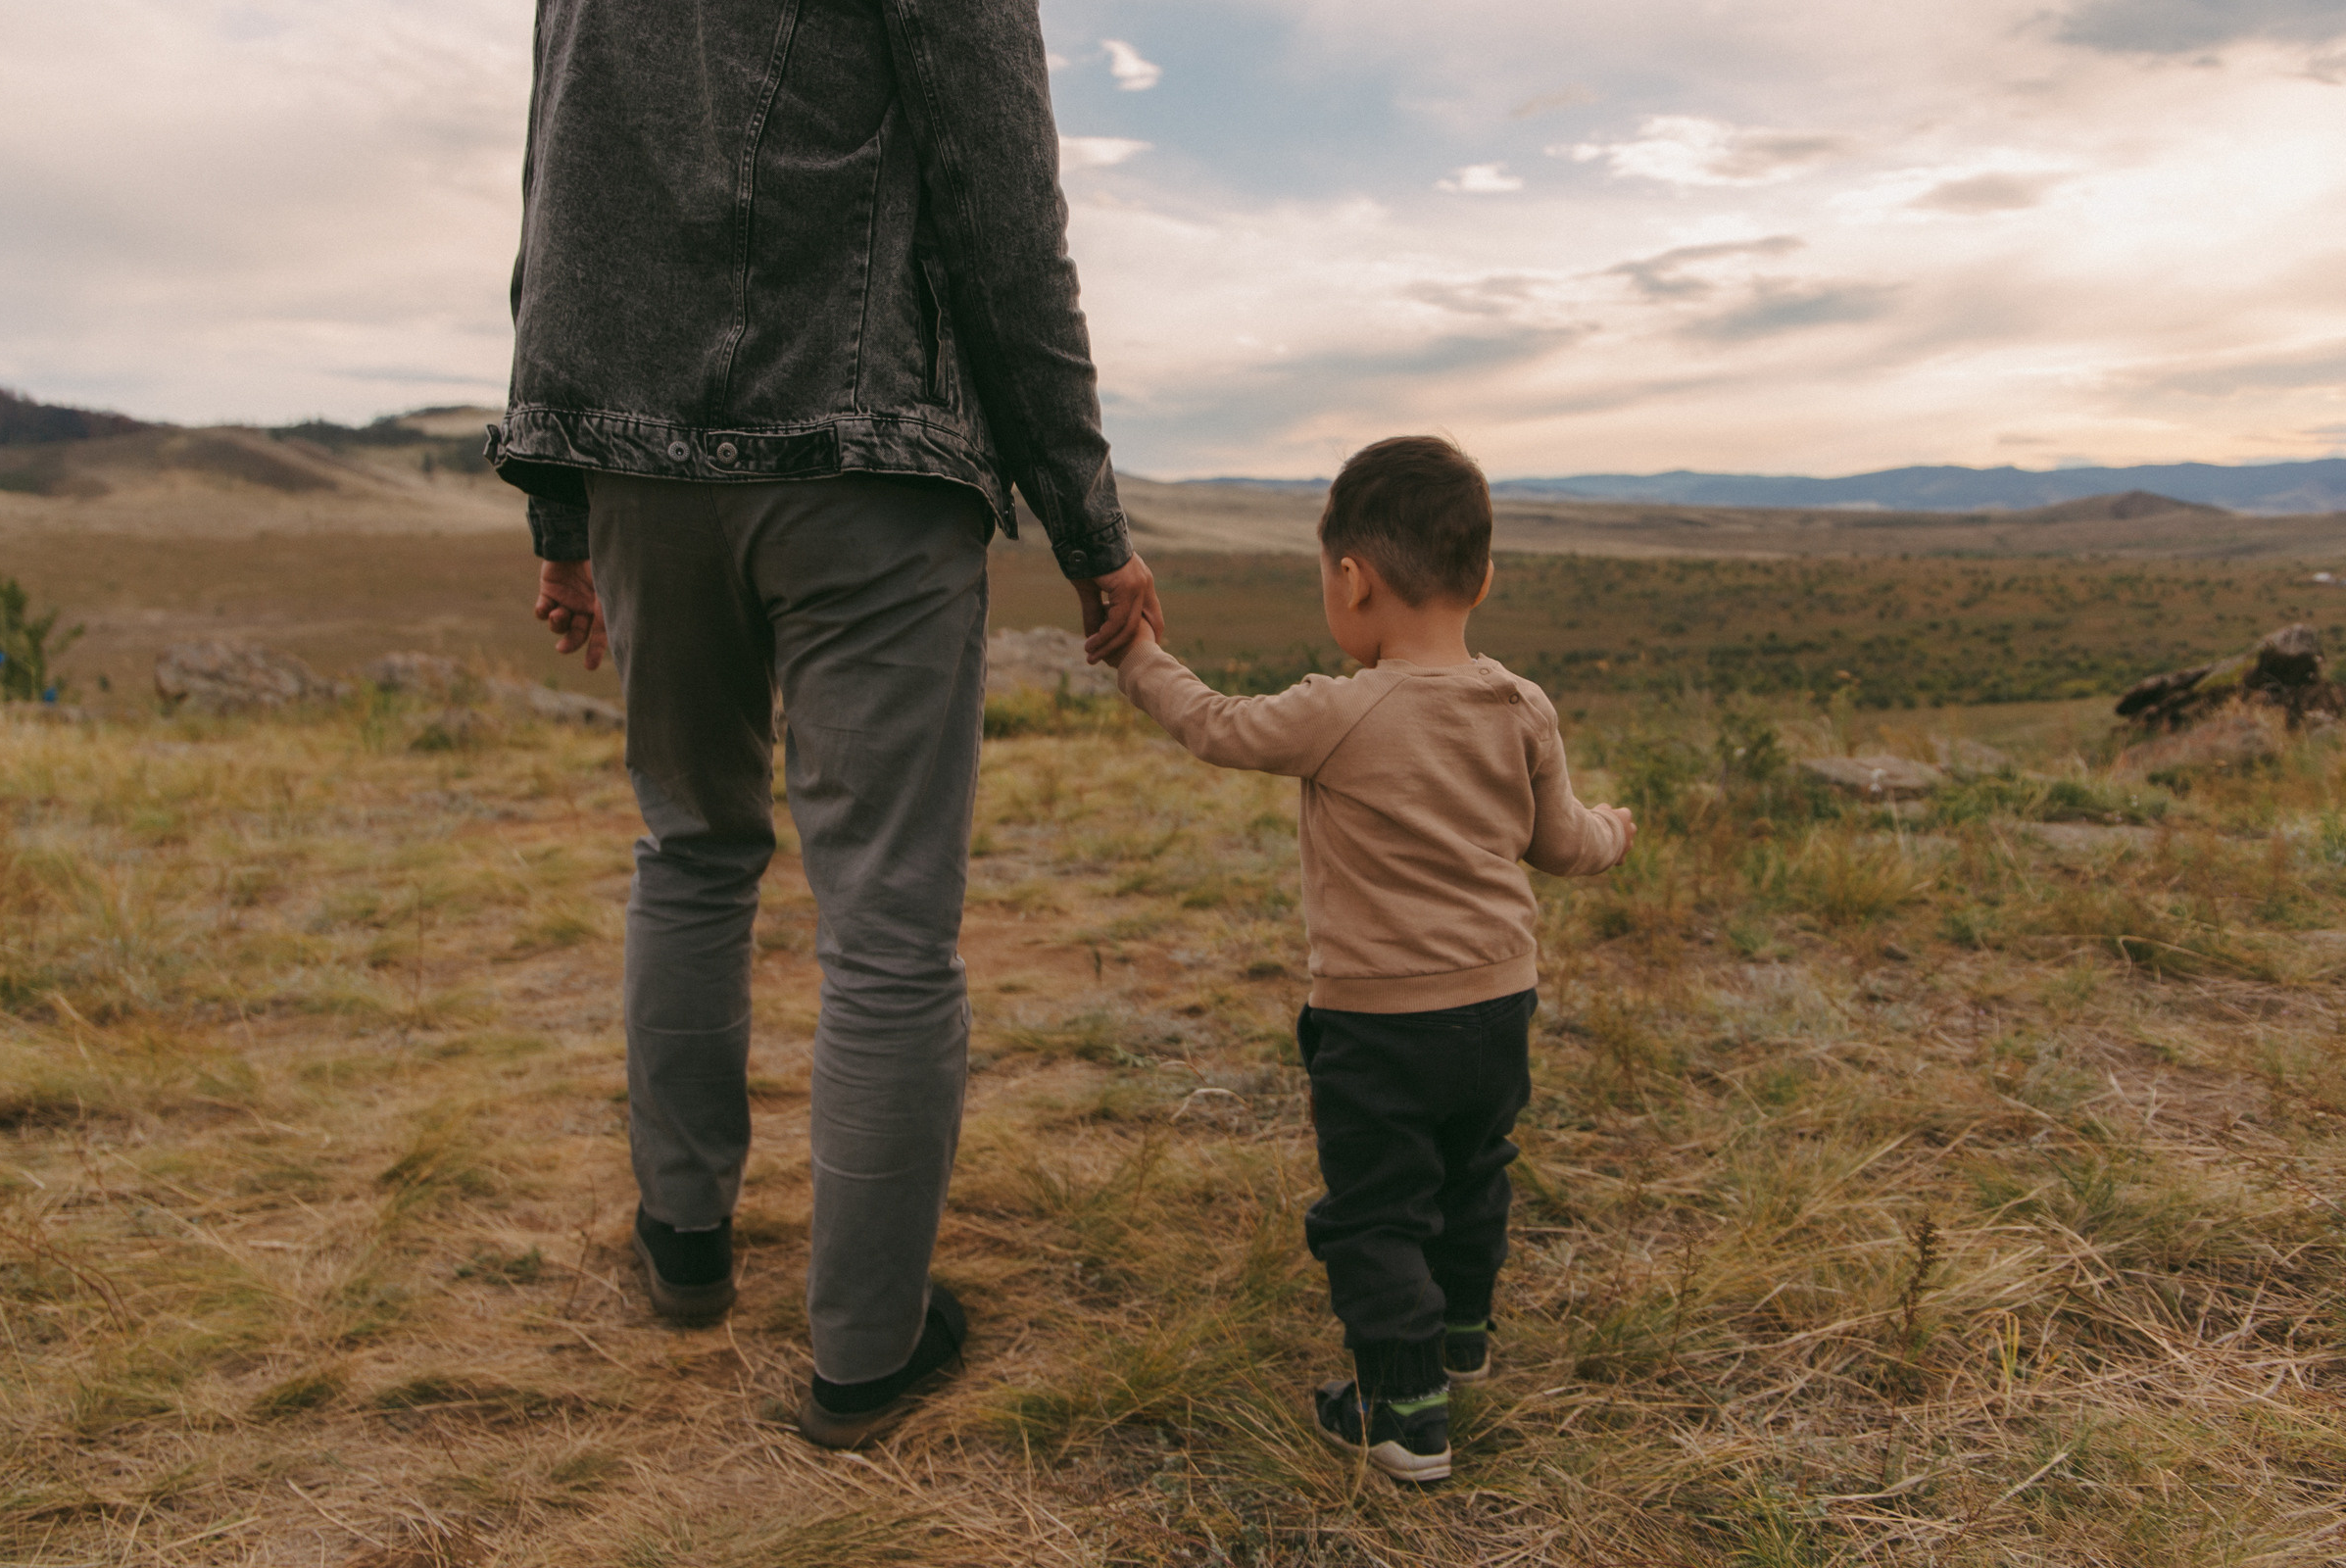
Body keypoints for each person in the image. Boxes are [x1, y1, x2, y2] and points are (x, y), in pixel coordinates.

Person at [487, 0, 1163, 1449]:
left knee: (689, 847)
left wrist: (564, 501)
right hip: (865, 459)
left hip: (635, 460)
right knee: (889, 928)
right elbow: (1000, 201)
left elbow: (555, 190)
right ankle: (866, 1356)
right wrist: (1087, 516)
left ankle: (683, 1247)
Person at [1105, 436, 1634, 1484]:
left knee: (1377, 1205)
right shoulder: (1520, 705)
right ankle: (1462, 1337)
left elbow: (1214, 726)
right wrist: (1619, 828)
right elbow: (1562, 842)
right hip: (1500, 1003)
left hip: (1377, 1022)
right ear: (1481, 577)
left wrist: (1135, 659)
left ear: (1353, 579)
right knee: (1475, 1168)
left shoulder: (1342, 709)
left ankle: (1404, 1411)